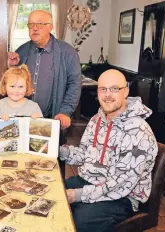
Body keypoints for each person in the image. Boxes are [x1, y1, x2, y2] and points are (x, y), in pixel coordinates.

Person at [59, 70, 158, 232]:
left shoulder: (138, 133)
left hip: (122, 197)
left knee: (78, 222)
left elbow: (119, 185)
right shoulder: (96, 120)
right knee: (50, 193)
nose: (107, 95)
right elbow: (84, 154)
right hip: (90, 180)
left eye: (114, 89)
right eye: (103, 89)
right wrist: (57, 150)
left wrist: (75, 195)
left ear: (125, 91)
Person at [7, 10, 81, 130]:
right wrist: (12, 66)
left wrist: (65, 111)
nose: (34, 28)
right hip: (24, 117)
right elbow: (13, 81)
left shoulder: (67, 52)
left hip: (52, 118)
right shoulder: (22, 50)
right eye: (31, 24)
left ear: (50, 27)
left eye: (40, 24)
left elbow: (75, 85)